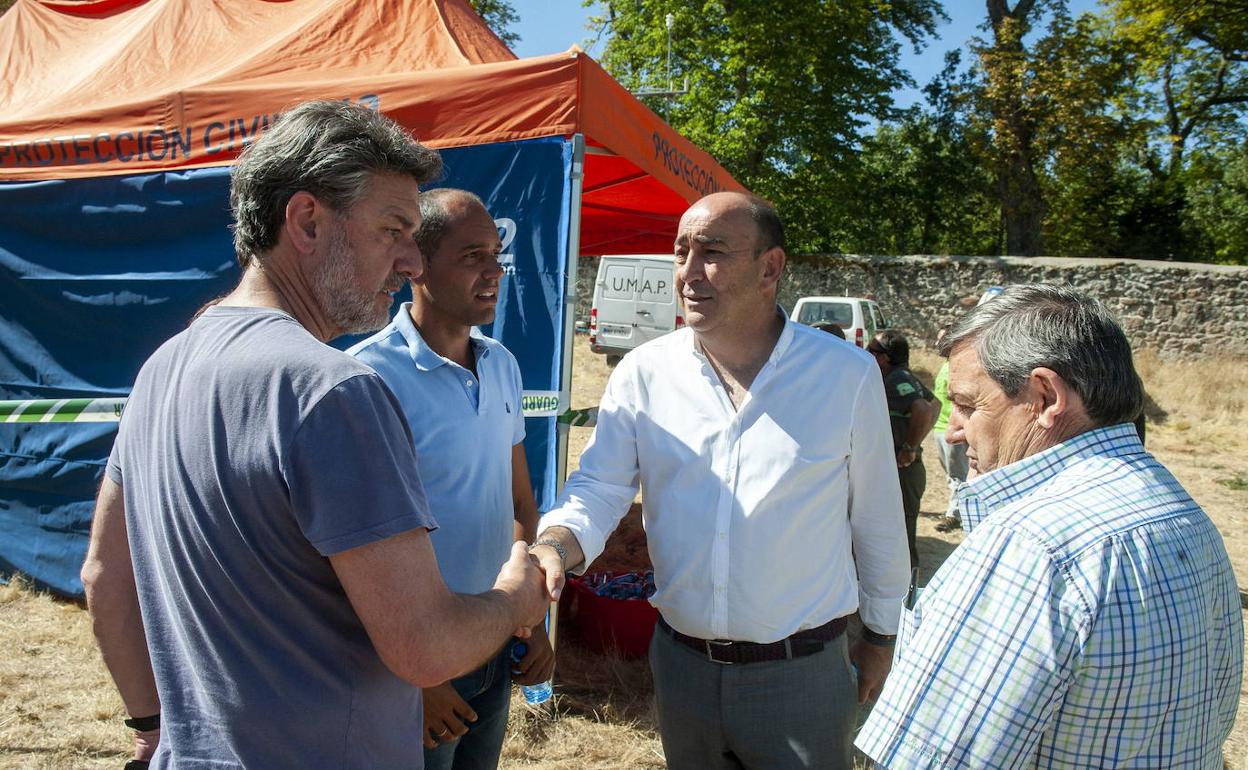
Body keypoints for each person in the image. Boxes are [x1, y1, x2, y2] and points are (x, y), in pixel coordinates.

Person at [79, 101, 551, 770]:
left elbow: (104, 576)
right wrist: (515, 600)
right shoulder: (335, 391)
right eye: (392, 230)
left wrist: (154, 726)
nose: (411, 262)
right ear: (306, 221)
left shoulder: (165, 365)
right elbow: (423, 646)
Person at [530, 191, 910, 770]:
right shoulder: (644, 371)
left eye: (711, 252)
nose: (687, 272)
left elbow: (877, 518)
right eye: (681, 251)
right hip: (681, 670)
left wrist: (881, 637)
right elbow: (602, 487)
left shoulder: (844, 374)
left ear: (770, 268)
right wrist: (556, 542)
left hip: (802, 675)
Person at [856, 284, 1243, 769]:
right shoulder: (1179, 510)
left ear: (1045, 397)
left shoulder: (1032, 546)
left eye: (970, 404)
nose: (955, 429)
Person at [348, 188, 553, 770]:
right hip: (421, 665)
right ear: (416, 263)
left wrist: (524, 618)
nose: (494, 272)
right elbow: (350, 548)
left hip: (494, 645)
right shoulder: (369, 378)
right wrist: (413, 674)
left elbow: (518, 501)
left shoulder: (502, 364)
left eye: (496, 255)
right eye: (472, 257)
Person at [866, 330, 939, 572]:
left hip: (903, 471)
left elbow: (924, 408)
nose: (866, 355)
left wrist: (910, 447)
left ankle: (906, 590)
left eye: (871, 351)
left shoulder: (897, 379)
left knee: (901, 534)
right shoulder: (901, 377)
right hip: (901, 470)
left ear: (884, 357)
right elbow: (934, 402)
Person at [930, 327, 968, 532]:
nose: (937, 344)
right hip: (940, 428)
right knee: (951, 474)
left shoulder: (959, 368)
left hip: (951, 430)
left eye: (941, 340)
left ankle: (954, 514)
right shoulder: (946, 365)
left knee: (958, 474)